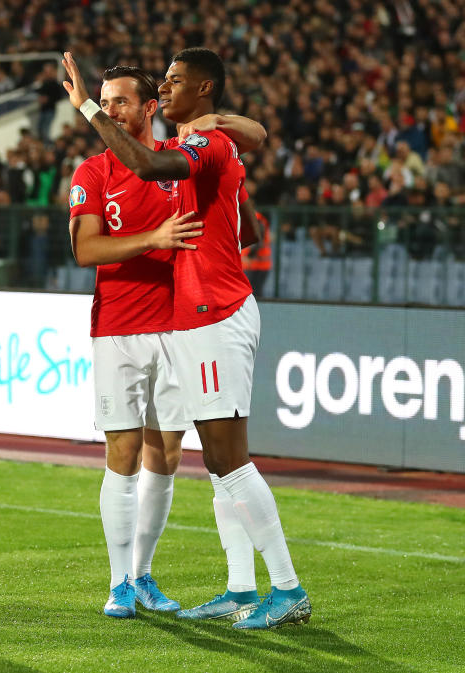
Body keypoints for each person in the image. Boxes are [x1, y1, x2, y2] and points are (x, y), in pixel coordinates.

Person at [63, 48, 311, 630]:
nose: (168, 88)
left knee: (226, 461)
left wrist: (83, 108)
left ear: (197, 91)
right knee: (219, 463)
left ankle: (287, 589)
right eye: (165, 81)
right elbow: (245, 217)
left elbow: (167, 166)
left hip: (212, 313)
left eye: (175, 82)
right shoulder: (180, 151)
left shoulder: (195, 149)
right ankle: (241, 585)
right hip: (184, 317)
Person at [241, 210, 271, 297]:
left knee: (253, 295)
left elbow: (258, 240)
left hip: (255, 264)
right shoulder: (256, 218)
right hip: (257, 264)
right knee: (255, 294)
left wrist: (250, 256)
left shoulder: (255, 218)